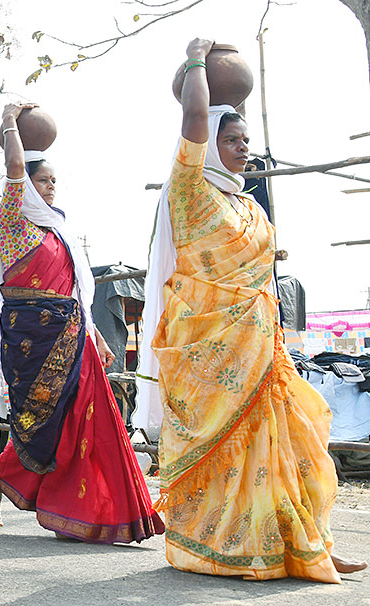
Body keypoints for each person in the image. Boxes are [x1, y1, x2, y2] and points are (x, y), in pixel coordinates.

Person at [136, 38, 365, 580]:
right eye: (232, 140)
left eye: (245, 140)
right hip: (208, 351)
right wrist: (195, 59)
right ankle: (226, 547)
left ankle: (307, 542)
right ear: (207, 143)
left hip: (262, 347)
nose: (243, 149)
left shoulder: (243, 199)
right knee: (231, 449)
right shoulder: (189, 187)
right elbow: (194, 113)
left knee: (293, 438)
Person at [0, 103, 163, 544]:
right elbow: (15, 166)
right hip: (32, 340)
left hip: (73, 333)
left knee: (88, 418)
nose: (51, 187)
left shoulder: (59, 231)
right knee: (40, 421)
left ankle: (80, 510)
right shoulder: (13, 223)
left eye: (55, 180)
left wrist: (95, 332)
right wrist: (8, 123)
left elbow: (76, 291)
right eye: (43, 180)